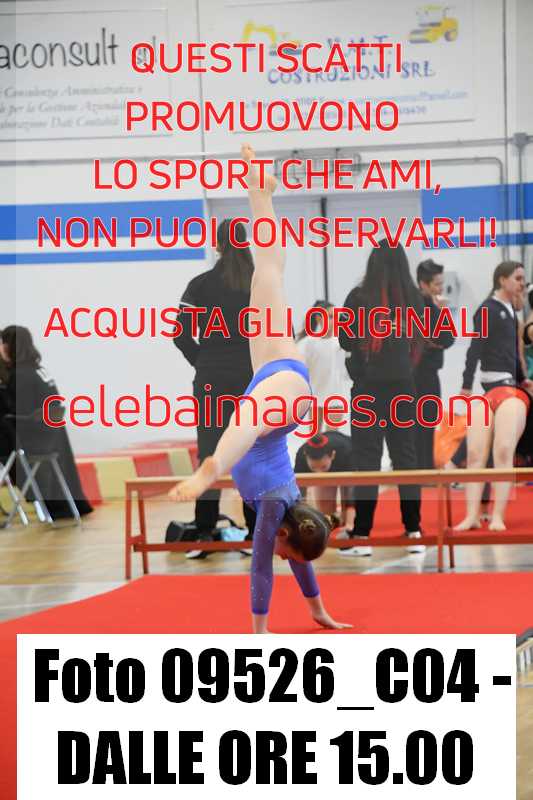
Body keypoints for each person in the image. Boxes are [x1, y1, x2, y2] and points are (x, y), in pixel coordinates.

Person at [169, 144, 350, 634]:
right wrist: (260, 632)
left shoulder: (298, 520)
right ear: (287, 534)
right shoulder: (274, 509)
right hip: (281, 398)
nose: (285, 555)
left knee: (268, 273)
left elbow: (301, 561)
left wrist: (318, 612)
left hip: (273, 377)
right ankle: (209, 470)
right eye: (288, 550)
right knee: (245, 422)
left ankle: (260, 193)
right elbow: (263, 569)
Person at [173, 218, 256, 557]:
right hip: (252, 379)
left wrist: (203, 362)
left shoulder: (200, 285)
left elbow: (180, 334)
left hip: (211, 379)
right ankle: (254, 534)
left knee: (210, 455)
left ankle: (204, 533)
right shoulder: (260, 282)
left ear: (218, 244)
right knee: (251, 452)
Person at [338, 241, 425, 554]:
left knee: (367, 459)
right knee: (406, 458)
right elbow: (436, 337)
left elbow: (345, 340)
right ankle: (414, 530)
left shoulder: (358, 297)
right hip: (403, 387)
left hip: (368, 389)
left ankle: (363, 534)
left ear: (372, 263)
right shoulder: (415, 299)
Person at [456, 261, 533, 531]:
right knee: (475, 454)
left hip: (510, 389)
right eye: (518, 278)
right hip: (488, 392)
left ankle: (497, 515)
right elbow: (475, 348)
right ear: (502, 280)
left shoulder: (511, 312)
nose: (522, 283)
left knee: (503, 450)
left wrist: (523, 378)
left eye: (523, 279)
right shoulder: (487, 309)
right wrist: (466, 385)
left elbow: (513, 352)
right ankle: (471, 515)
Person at [0, 326, 93, 520]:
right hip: (53, 437)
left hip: (35, 440)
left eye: (2, 343)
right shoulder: (38, 369)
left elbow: (20, 412)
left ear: (10, 346)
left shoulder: (21, 375)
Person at [413, 259, 455, 469]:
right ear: (423, 284)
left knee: (423, 423)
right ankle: (422, 470)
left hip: (423, 374)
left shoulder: (425, 305)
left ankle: (422, 468)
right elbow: (447, 338)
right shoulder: (424, 307)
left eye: (441, 283)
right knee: (421, 424)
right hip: (420, 375)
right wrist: (442, 311)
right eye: (437, 284)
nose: (440, 288)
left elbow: (446, 340)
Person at [297, 301, 351, 432]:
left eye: (336, 317)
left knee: (332, 437)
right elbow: (299, 367)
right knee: (315, 437)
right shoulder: (308, 343)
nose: (335, 320)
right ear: (319, 318)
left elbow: (348, 368)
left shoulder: (341, 342)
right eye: (331, 316)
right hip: (316, 396)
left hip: (336, 396)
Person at [293, 431, 355, 532]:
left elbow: (351, 491)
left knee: (346, 511)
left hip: (345, 461)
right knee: (326, 515)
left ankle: (344, 518)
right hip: (335, 462)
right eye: (313, 468)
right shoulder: (301, 456)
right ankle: (333, 519)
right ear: (306, 456)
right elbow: (299, 495)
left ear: (332, 455)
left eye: (323, 467)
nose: (319, 473)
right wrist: (302, 522)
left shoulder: (347, 451)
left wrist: (349, 524)